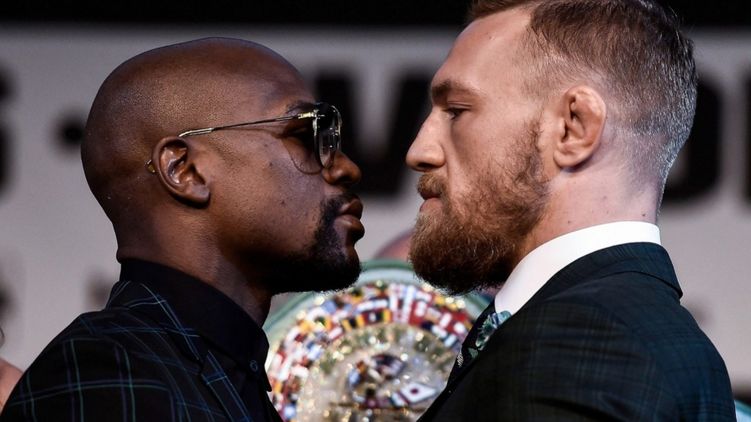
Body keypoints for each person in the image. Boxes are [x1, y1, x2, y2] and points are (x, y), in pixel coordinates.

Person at [1, 37, 364, 421]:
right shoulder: (108, 372)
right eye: (304, 136)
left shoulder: (228, 379)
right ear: (185, 171)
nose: (346, 168)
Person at [406, 0, 735, 420]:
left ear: (573, 128)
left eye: (456, 111)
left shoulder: (578, 342)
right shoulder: (645, 329)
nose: (419, 151)